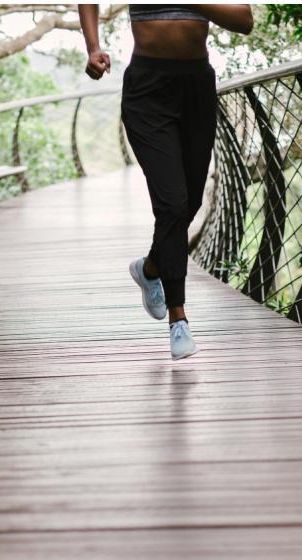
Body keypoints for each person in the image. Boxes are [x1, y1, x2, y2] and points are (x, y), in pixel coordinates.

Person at [79, 4, 253, 360]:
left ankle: (151, 267)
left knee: (189, 203)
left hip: (197, 88)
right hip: (147, 90)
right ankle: (179, 319)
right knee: (172, 203)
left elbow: (244, 20)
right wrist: (93, 47)